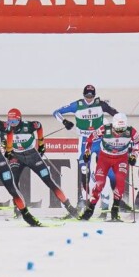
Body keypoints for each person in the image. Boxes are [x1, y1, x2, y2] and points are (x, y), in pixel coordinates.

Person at [53, 84, 119, 213]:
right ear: (83, 95)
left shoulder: (101, 104)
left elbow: (116, 114)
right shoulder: (77, 105)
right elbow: (56, 112)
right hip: (84, 140)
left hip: (99, 140)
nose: (89, 99)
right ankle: (83, 199)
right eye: (87, 96)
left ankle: (112, 202)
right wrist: (65, 122)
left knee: (107, 168)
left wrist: (117, 124)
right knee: (84, 168)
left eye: (91, 96)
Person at [5, 108, 78, 219]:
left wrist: (41, 144)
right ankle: (18, 210)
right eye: (10, 122)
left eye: (14, 122)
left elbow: (39, 126)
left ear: (19, 120)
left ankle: (70, 208)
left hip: (33, 156)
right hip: (17, 157)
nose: (12, 125)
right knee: (14, 182)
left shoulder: (28, 126)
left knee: (49, 180)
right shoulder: (6, 128)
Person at [77, 113, 139, 222]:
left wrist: (134, 155)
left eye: (122, 129)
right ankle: (90, 210)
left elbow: (138, 142)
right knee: (99, 183)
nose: (120, 132)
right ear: (113, 125)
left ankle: (115, 211)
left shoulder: (131, 131)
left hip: (121, 159)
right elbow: (90, 138)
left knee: (120, 182)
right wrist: (87, 152)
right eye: (117, 129)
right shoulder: (104, 129)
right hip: (104, 158)